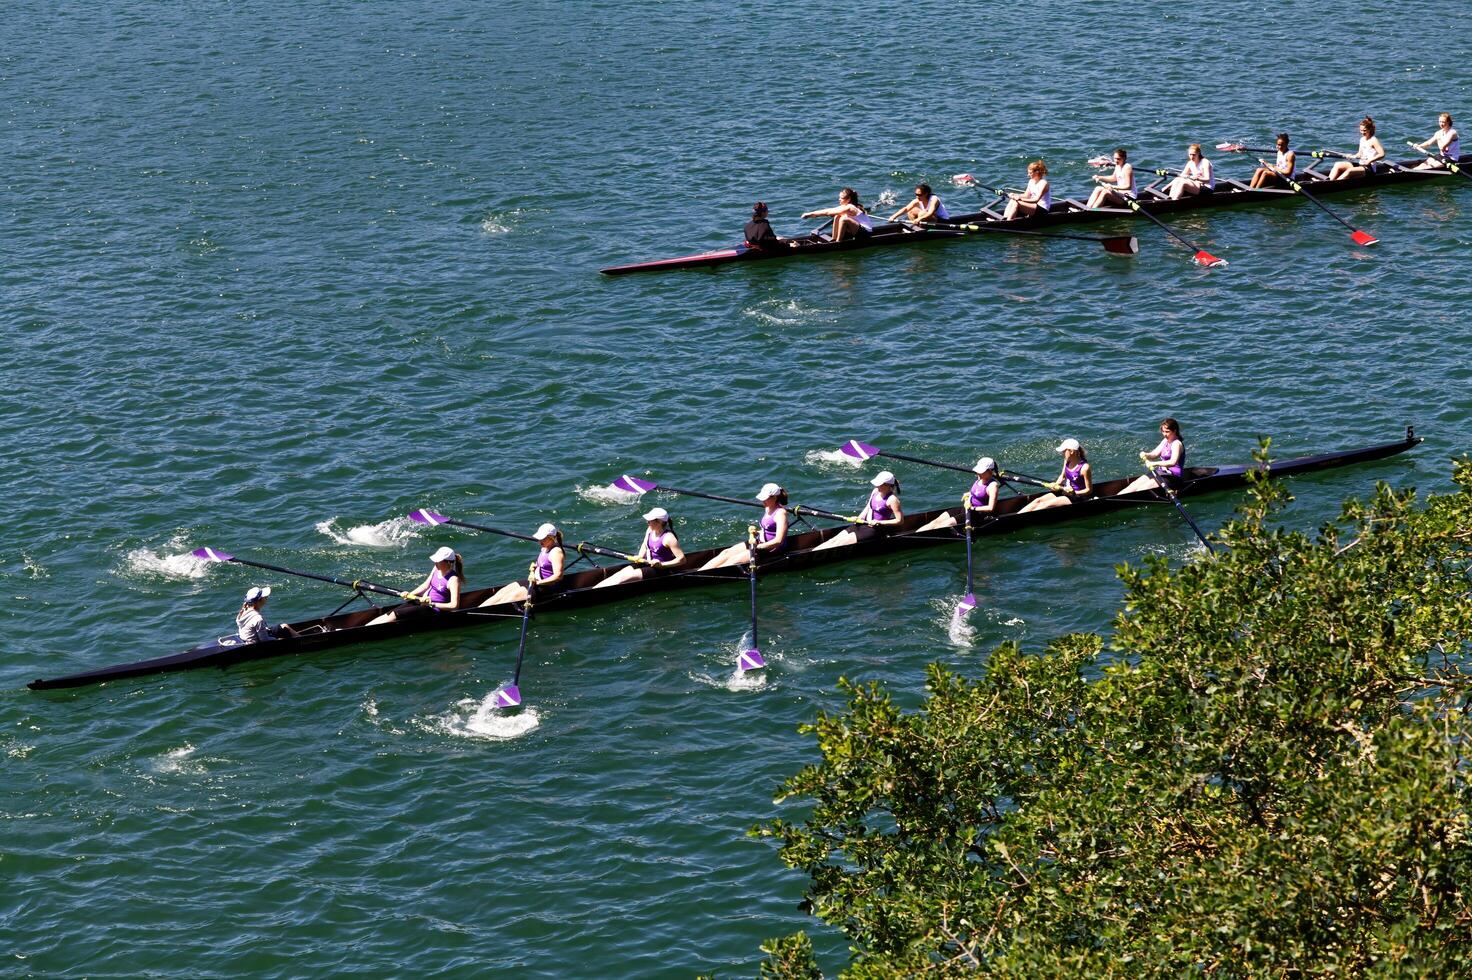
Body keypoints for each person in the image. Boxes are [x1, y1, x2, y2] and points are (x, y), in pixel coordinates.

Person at [700, 483, 791, 570]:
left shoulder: (780, 513)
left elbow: (778, 540)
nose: (762, 501)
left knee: (732, 560)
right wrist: (757, 532)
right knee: (726, 552)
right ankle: (700, 571)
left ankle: (702, 577)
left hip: (770, 550)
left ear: (775, 497)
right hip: (758, 542)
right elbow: (769, 530)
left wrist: (759, 547)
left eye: (765, 499)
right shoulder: (768, 507)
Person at [367, 546, 464, 625]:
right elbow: (426, 585)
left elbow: (454, 606)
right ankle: (365, 626)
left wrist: (432, 604)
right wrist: (409, 594)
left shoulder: (453, 579)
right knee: (390, 613)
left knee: (395, 615)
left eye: (438, 561)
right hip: (422, 601)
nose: (435, 562)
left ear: (447, 562)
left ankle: (366, 631)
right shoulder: (436, 568)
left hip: (434, 609)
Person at [594, 507, 686, 588]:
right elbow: (645, 544)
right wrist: (640, 556)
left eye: (650, 520)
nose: (647, 522)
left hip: (661, 570)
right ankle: (594, 589)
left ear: (659, 522)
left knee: (623, 578)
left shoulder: (669, 537)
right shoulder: (650, 530)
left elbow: (682, 559)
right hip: (647, 563)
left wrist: (662, 565)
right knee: (619, 574)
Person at [480, 523, 566, 607]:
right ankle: (479, 608)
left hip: (546, 588)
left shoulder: (556, 552)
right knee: (501, 593)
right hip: (535, 582)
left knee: (508, 598)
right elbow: (545, 564)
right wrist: (535, 566)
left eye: (543, 539)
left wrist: (538, 583)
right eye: (539, 538)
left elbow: (558, 576)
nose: (540, 541)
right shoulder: (544, 547)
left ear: (552, 538)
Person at [814, 471, 904, 551]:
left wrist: (879, 522)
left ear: (887, 485)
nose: (876, 486)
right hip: (862, 523)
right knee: (833, 540)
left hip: (874, 530)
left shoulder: (893, 500)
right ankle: (812, 551)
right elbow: (868, 507)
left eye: (879, 484)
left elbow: (900, 521)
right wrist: (858, 518)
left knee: (838, 544)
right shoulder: (875, 491)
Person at [1019, 439, 1093, 512]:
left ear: (1071, 451)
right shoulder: (1067, 461)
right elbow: (1062, 477)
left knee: (1044, 505)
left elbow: (1089, 490)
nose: (1062, 453)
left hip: (1078, 497)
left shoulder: (1084, 468)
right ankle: (1017, 515)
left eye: (1064, 451)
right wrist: (1055, 485)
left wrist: (1073, 492)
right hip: (1064, 491)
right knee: (1037, 501)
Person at [1122, 418, 1186, 494]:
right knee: (1133, 486)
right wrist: (1146, 454)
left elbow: (1173, 462)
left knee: (1142, 489)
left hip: (1173, 477)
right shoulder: (1165, 440)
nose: (1164, 434)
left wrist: (1154, 463)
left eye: (1167, 432)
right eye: (1163, 431)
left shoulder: (1176, 444)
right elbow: (1155, 454)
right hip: (1161, 472)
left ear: (1174, 430)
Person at [801, 188, 873, 242]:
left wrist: (810, 214)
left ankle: (838, 242)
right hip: (857, 231)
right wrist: (811, 214)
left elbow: (828, 213)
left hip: (866, 234)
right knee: (837, 216)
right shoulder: (847, 206)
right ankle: (834, 239)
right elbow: (829, 210)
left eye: (841, 198)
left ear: (848, 199)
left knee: (844, 219)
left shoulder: (850, 207)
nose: (839, 199)